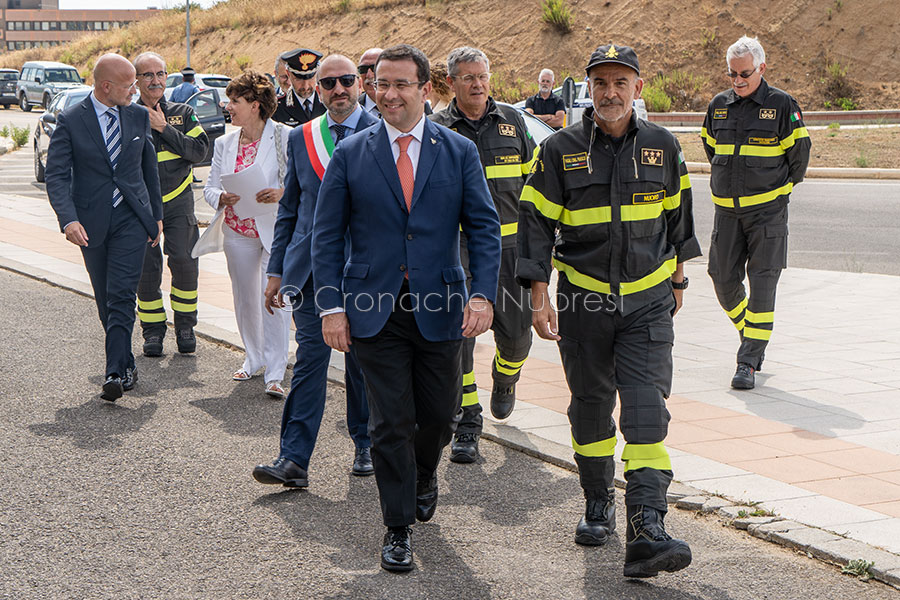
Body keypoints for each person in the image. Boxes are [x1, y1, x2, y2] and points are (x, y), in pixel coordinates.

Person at [312, 44, 500, 572]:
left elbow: (483, 227)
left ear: (426, 90)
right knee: (390, 421)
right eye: (381, 84)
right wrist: (331, 307)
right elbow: (326, 237)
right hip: (372, 310)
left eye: (400, 85)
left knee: (438, 416)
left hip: (442, 307)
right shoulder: (352, 152)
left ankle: (424, 471)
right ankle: (396, 529)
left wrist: (482, 293)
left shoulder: (458, 151)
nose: (388, 94)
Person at [517, 44, 700, 578]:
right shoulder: (560, 150)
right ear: (588, 90)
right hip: (583, 299)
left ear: (638, 88)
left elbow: (678, 218)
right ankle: (597, 501)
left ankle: (647, 525)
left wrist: (679, 278)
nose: (611, 92)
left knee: (646, 411)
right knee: (591, 406)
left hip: (647, 302)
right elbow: (534, 224)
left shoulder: (663, 147)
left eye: (622, 82)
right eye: (601, 83)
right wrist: (537, 294)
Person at [252, 54, 379, 488]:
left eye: (346, 81)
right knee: (310, 361)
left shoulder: (382, 133)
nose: (338, 90)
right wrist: (276, 270)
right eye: (329, 84)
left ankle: (365, 442)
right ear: (316, 89)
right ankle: (293, 459)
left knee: (363, 361)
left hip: (364, 271)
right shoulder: (303, 136)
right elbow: (290, 210)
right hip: (311, 272)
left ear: (361, 85)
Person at [430, 46, 537, 463]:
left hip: (511, 252)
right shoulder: (437, 128)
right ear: (452, 82)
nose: (477, 84)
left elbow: (535, 184)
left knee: (517, 338)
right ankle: (468, 420)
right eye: (468, 77)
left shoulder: (513, 122)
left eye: (482, 76)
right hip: (458, 252)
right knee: (460, 339)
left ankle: (506, 379)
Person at [45, 53, 162, 401]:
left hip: (131, 218)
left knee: (123, 294)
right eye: (129, 85)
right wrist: (68, 219)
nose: (135, 90)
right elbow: (56, 175)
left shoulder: (139, 116)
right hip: (91, 223)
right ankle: (125, 362)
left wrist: (155, 217)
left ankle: (113, 373)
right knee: (104, 301)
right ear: (105, 86)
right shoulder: (70, 120)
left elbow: (148, 170)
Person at [701, 36, 810, 390]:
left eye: (744, 73)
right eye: (731, 74)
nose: (737, 80)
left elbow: (799, 159)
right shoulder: (718, 106)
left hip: (767, 216)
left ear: (761, 68)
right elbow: (710, 147)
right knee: (721, 277)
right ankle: (753, 335)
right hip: (727, 216)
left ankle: (747, 361)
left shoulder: (782, 105)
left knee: (762, 287)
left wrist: (774, 193)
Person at [197, 70, 290, 398]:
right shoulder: (224, 142)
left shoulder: (284, 137)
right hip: (237, 230)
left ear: (255, 105)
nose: (228, 107)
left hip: (274, 231)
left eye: (234, 101)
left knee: (275, 300)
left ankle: (276, 371)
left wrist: (280, 193)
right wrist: (220, 198)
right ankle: (254, 357)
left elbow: (299, 184)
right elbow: (209, 187)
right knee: (245, 299)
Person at [133, 52, 210, 358]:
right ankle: (152, 331)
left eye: (160, 74)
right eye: (147, 75)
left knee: (185, 263)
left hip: (179, 202)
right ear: (136, 81)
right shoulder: (126, 114)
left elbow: (200, 152)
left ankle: (185, 327)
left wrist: (164, 128)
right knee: (146, 270)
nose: (155, 80)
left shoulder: (183, 112)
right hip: (142, 207)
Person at [272, 48, 325, 127]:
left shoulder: (328, 102)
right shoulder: (276, 107)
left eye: (310, 78)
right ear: (289, 74)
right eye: (298, 79)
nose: (306, 86)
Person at [356, 47, 382, 116]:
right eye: (363, 69)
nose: (369, 75)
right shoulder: (351, 110)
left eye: (375, 68)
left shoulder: (405, 104)